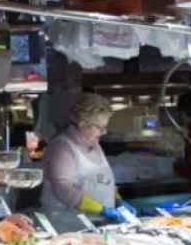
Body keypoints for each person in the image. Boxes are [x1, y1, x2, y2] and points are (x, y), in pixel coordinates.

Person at [40, 93, 135, 231]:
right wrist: (101, 209)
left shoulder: (94, 144)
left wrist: (118, 200)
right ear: (83, 124)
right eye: (100, 127)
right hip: (69, 228)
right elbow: (64, 189)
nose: (104, 132)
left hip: (96, 226)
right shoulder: (61, 147)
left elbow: (103, 180)